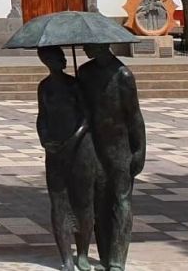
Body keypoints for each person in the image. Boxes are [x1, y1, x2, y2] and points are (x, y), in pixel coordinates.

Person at [77, 42, 146, 271]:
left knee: (121, 200)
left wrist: (140, 149)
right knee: (99, 201)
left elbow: (134, 115)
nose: (86, 50)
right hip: (93, 144)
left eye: (90, 46)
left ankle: (117, 261)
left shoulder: (123, 74)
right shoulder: (85, 72)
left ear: (103, 46)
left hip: (120, 146)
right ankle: (106, 255)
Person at [36, 46, 98, 271]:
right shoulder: (44, 87)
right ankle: (66, 257)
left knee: (84, 202)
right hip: (55, 149)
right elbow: (41, 116)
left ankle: (82, 253)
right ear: (46, 61)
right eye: (56, 57)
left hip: (81, 148)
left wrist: (73, 140)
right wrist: (44, 139)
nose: (62, 60)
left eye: (63, 56)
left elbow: (86, 118)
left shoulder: (75, 85)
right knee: (59, 203)